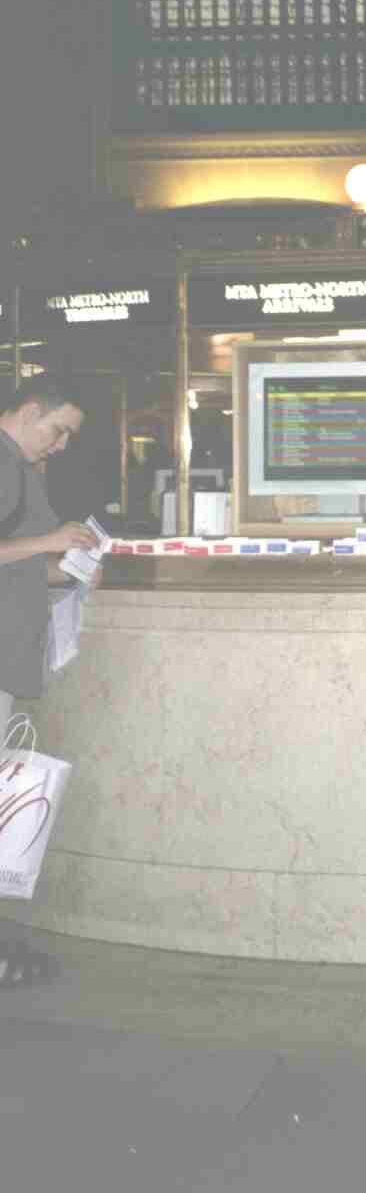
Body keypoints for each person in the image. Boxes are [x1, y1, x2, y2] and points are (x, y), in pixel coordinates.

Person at [0, 373, 98, 987]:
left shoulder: (20, 468)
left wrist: (70, 565)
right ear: (31, 409)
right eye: (59, 430)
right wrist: (50, 541)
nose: (61, 445)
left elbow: (23, 558)